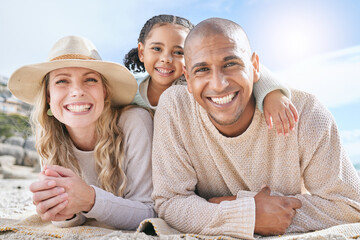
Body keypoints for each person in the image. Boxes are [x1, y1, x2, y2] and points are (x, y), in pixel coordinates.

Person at [151, 18, 360, 239]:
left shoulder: (306, 113)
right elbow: (170, 202)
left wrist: (232, 206)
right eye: (202, 69)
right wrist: (249, 214)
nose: (219, 84)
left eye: (231, 64)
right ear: (187, 78)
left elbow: (349, 206)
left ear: (255, 66)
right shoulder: (175, 107)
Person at [8, 35, 156, 229]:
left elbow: (150, 213)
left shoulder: (134, 122)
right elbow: (77, 218)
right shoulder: (48, 135)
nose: (77, 91)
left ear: (104, 92)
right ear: (48, 96)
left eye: (90, 80)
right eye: (62, 81)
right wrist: (62, 212)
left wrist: (90, 199)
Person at [124, 14, 298, 135]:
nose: (166, 59)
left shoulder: (196, 86)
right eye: (156, 49)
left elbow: (246, 68)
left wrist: (272, 93)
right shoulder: (129, 88)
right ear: (141, 52)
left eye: (179, 52)